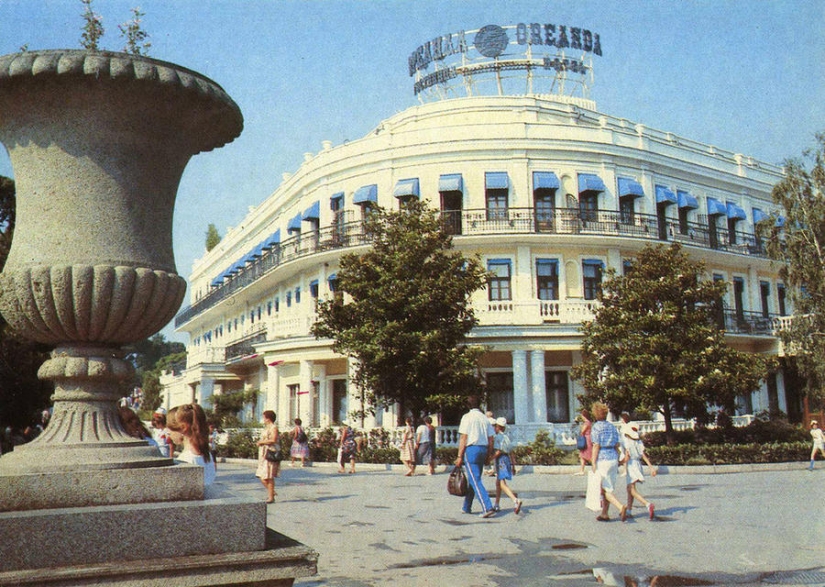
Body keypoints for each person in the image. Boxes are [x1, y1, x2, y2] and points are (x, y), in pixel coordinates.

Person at [454, 395, 496, 518]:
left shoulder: (467, 417)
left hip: (472, 449)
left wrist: (459, 456)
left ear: (468, 406)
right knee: (474, 477)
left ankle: (487, 506)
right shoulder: (485, 418)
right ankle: (466, 506)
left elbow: (463, 437)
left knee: (475, 479)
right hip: (483, 448)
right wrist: (489, 454)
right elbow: (491, 439)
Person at [590, 401, 627, 522]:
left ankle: (620, 507)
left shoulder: (596, 427)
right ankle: (604, 513)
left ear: (595, 414)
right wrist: (619, 459)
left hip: (602, 459)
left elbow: (596, 445)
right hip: (613, 457)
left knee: (604, 489)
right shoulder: (612, 426)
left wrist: (593, 462)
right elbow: (617, 444)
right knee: (609, 487)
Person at [167, 403, 216, 486]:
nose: (168, 433)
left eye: (170, 429)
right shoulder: (206, 455)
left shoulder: (185, 460)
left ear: (183, 427)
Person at [623, 424, 657, 520]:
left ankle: (647, 504)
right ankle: (629, 511)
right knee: (631, 488)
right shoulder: (639, 442)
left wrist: (621, 462)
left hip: (631, 464)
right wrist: (651, 467)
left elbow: (627, 457)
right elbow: (643, 455)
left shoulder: (627, 443)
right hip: (638, 464)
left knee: (630, 488)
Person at [492, 417, 522, 514]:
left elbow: (498, 451)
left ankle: (515, 500)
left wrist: (490, 459)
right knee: (498, 482)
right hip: (507, 459)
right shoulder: (507, 437)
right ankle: (496, 503)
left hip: (501, 460)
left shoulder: (498, 438)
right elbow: (511, 452)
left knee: (502, 483)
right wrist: (513, 466)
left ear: (497, 427)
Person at [256, 410, 280, 503]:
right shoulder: (266, 428)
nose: (263, 419)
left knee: (268, 476)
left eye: (264, 417)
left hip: (270, 453)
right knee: (262, 476)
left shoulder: (273, 427)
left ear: (268, 418)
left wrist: (261, 442)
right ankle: (272, 492)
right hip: (263, 453)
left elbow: (273, 439)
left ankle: (271, 497)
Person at [575, 408, 593, 475]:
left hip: (586, 439)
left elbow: (582, 431)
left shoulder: (587, 423)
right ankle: (581, 470)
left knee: (588, 454)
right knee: (582, 455)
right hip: (585, 438)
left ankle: (595, 467)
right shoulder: (586, 423)